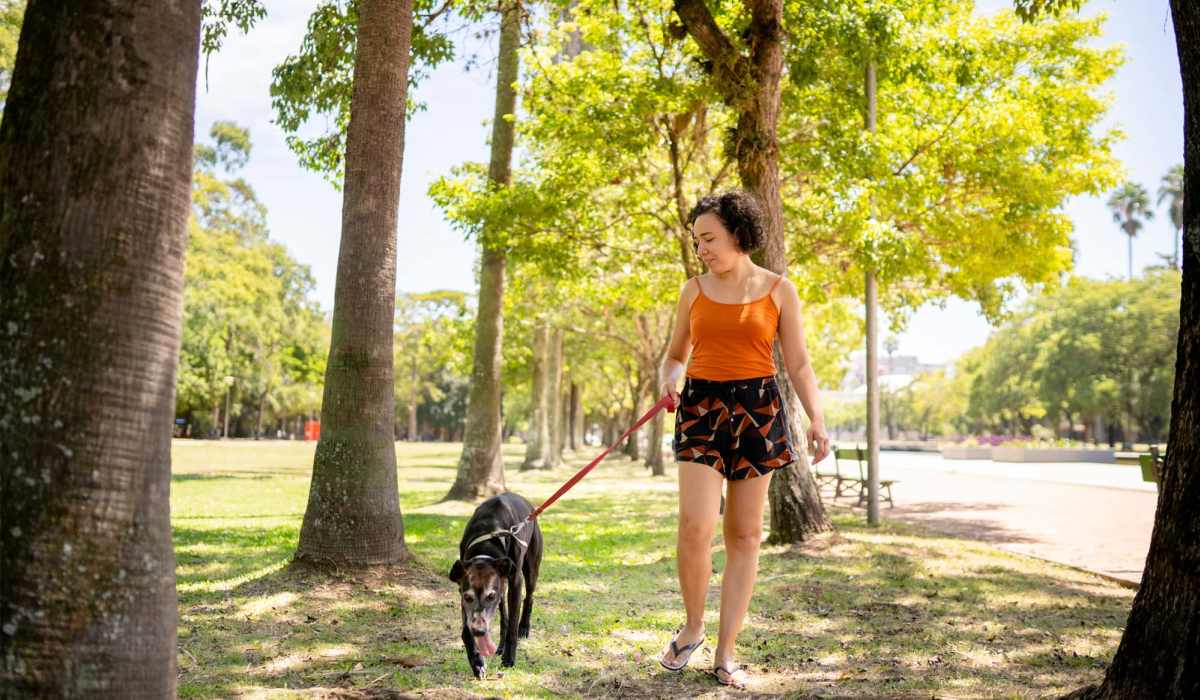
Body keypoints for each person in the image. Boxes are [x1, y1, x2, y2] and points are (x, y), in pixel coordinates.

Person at [657, 190, 830, 688]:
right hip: (701, 408)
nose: (702, 249)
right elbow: (674, 355)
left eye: (709, 238)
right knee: (695, 526)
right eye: (697, 241)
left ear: (739, 234)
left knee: (744, 536)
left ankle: (726, 653)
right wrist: (670, 377)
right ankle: (692, 627)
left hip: (758, 409)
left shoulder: (780, 289)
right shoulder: (693, 290)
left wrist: (817, 419)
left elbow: (797, 362)